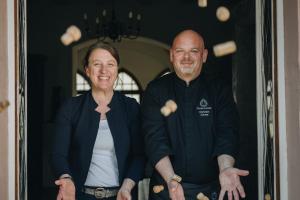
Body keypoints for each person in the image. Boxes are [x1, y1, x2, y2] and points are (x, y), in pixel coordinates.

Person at [141, 30, 249, 200]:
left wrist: (226, 168)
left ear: (204, 55)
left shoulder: (219, 89)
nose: (186, 58)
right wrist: (172, 180)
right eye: (180, 51)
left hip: (211, 188)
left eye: (194, 51)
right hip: (166, 188)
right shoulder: (156, 90)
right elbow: (154, 140)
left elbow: (227, 133)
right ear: (171, 55)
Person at [51, 43, 145, 200]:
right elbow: (58, 154)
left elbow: (140, 155)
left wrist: (127, 186)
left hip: (122, 196)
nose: (104, 71)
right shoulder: (70, 108)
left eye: (110, 64)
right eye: (97, 64)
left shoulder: (131, 107)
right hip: (80, 196)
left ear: (116, 69)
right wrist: (66, 179)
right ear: (87, 70)